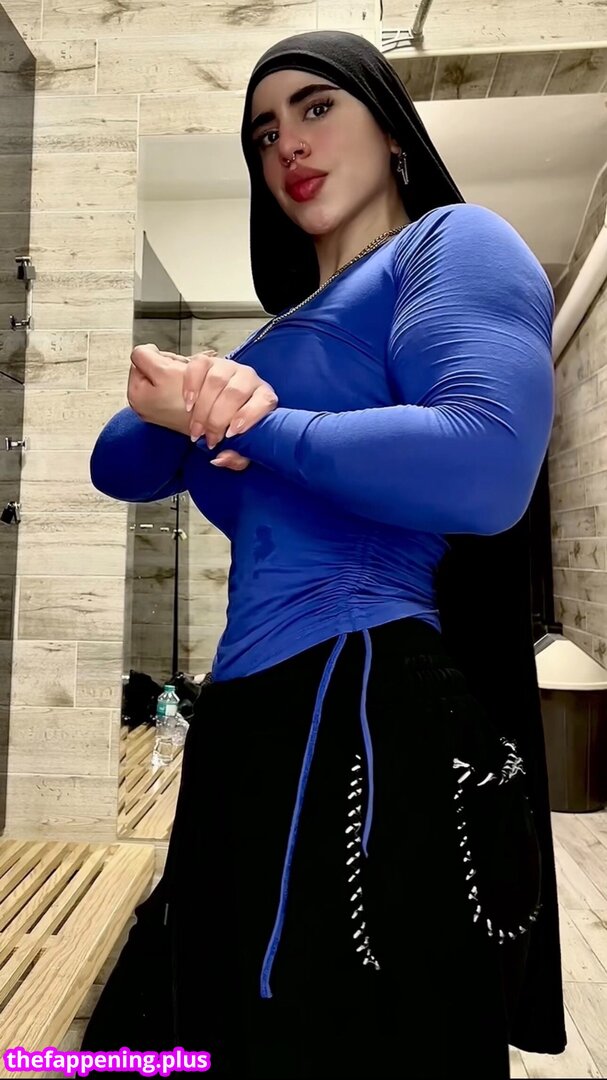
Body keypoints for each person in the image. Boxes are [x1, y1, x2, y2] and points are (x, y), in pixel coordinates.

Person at [81, 30, 567, 1079]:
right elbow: (120, 463)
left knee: (354, 1039)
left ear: (391, 128)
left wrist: (251, 423)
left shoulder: (451, 244)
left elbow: (485, 463)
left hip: (366, 697)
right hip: (249, 712)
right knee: (224, 1023)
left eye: (315, 107)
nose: (287, 145)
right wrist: (201, 383)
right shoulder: (275, 337)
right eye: (263, 132)